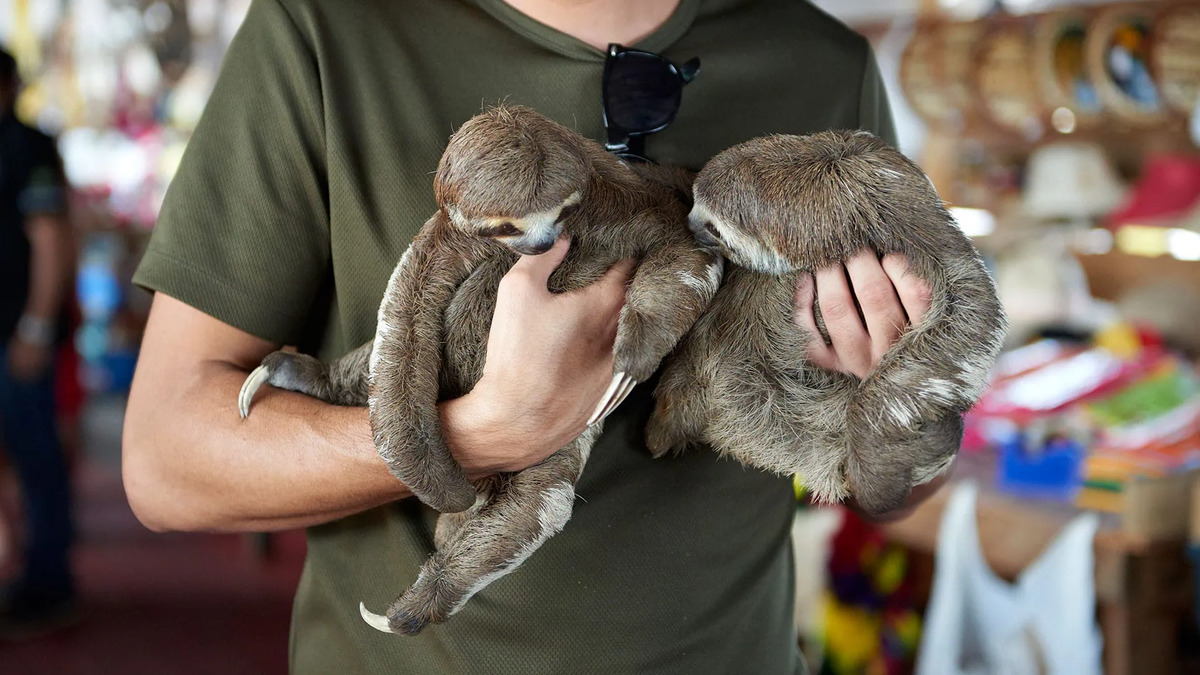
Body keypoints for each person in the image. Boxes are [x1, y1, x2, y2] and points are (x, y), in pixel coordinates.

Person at [124, 1, 947, 672]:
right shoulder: (326, 29)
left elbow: (899, 487)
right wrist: (491, 429)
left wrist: (888, 405)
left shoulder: (821, 66)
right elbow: (165, 461)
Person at [0, 46, 77, 635]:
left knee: (35, 458)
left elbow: (51, 240)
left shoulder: (24, 145)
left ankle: (49, 584)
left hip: (15, 337)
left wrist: (35, 327)